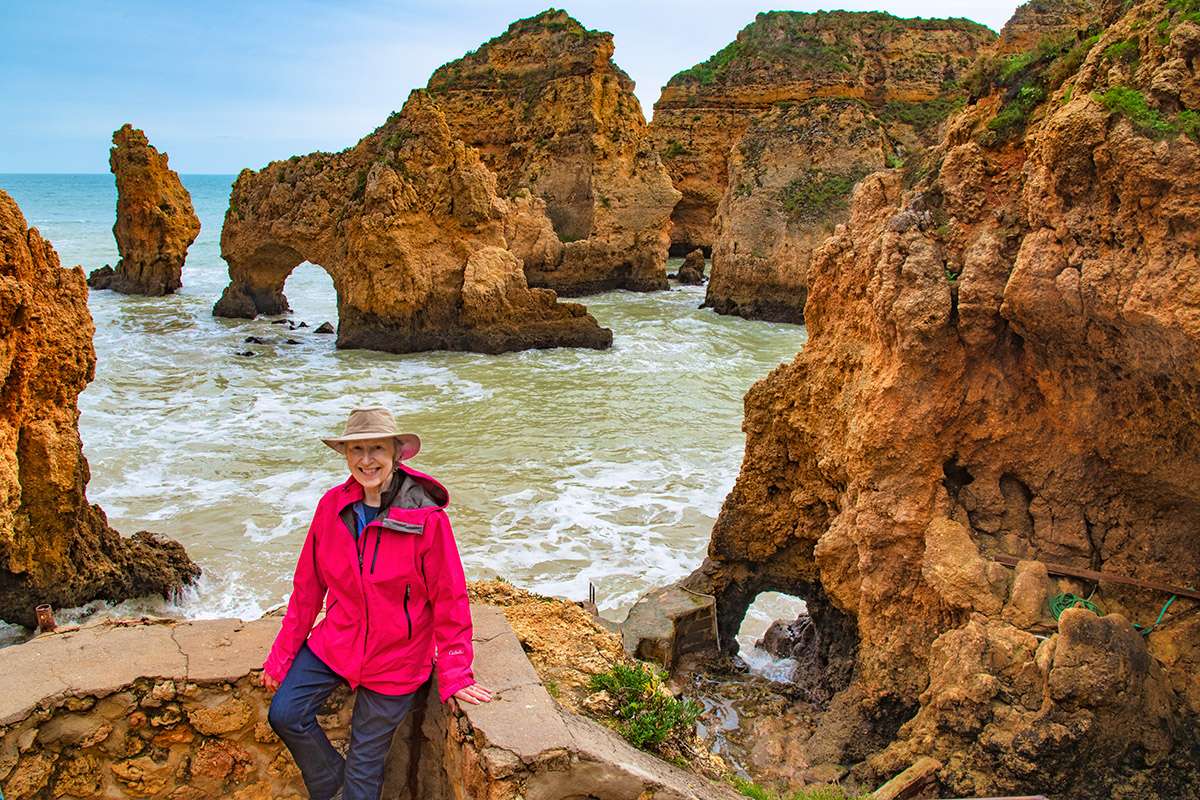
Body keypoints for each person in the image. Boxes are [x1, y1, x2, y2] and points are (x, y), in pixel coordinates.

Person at [260, 406, 492, 800]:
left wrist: (455, 671)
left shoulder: (427, 519)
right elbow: (307, 589)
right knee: (285, 714)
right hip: (337, 643)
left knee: (365, 772)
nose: (367, 461)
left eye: (377, 450)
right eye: (357, 450)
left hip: (397, 659)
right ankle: (330, 780)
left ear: (396, 454)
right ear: (346, 456)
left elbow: (449, 598)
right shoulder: (331, 507)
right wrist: (281, 656)